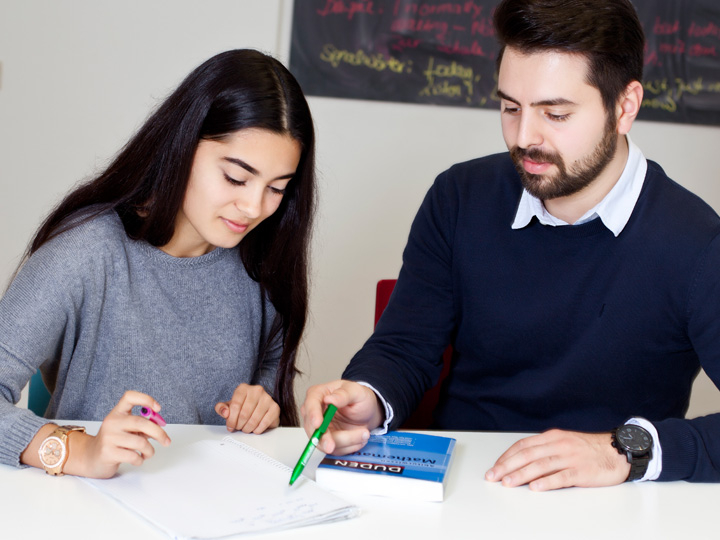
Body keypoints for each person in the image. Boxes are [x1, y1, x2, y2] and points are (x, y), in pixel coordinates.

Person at [302, 0, 720, 491]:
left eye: (556, 114)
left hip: (610, 504)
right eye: (509, 107)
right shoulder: (459, 197)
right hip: (464, 487)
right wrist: (367, 396)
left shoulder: (696, 243)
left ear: (624, 107)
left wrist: (622, 450)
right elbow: (406, 346)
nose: (524, 138)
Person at [0, 49, 316, 478]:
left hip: (216, 507)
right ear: (183, 146)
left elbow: (270, 368)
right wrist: (79, 453)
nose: (253, 206)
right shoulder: (87, 252)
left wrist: (261, 401)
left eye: (277, 188)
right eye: (236, 178)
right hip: (94, 510)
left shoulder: (261, 261)